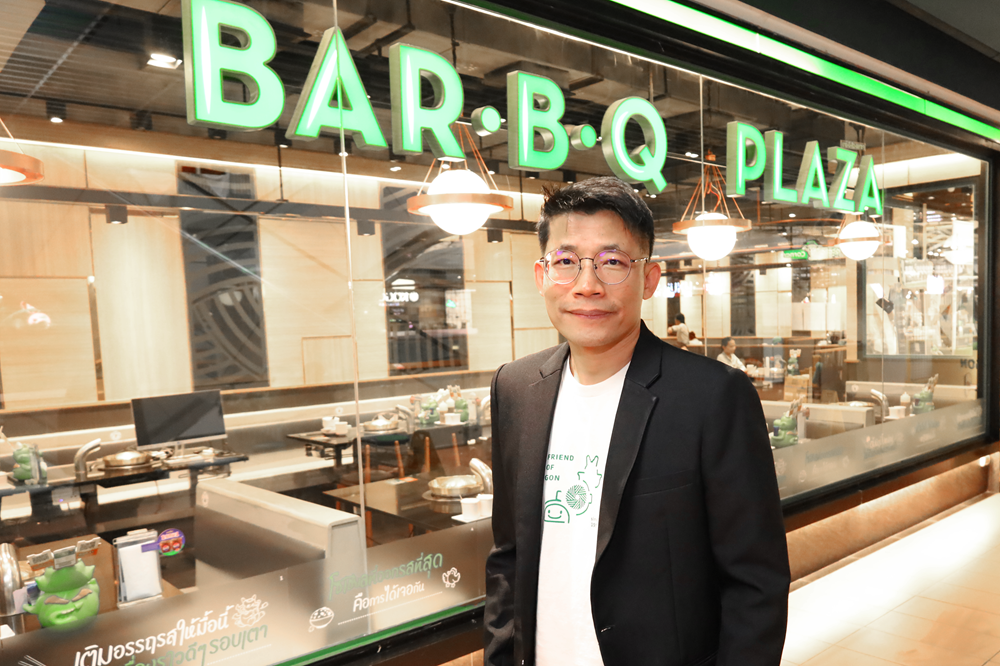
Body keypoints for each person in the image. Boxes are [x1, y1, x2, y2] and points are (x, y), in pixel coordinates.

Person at [484, 176, 789, 666]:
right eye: (566, 261)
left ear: (649, 278)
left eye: (612, 262)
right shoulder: (515, 388)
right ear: (542, 275)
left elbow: (756, 582)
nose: (587, 285)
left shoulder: (713, 397)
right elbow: (508, 555)